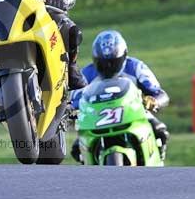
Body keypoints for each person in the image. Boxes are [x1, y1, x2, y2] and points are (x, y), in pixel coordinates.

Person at [70, 30, 170, 161]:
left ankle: (157, 161)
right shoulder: (86, 74)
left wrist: (153, 101)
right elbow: (73, 98)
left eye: (114, 61)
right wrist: (71, 110)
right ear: (95, 59)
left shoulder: (135, 67)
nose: (108, 67)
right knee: (77, 149)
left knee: (160, 131)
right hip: (97, 117)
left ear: (124, 56)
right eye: (103, 63)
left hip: (133, 112)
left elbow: (160, 93)